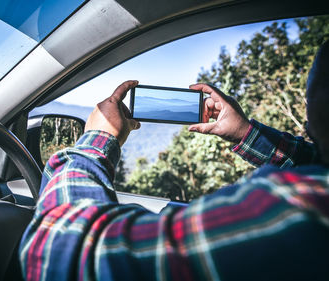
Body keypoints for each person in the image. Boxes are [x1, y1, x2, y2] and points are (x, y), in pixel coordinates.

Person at [19, 42, 329, 281]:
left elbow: (62, 254)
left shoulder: (304, 210)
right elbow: (312, 161)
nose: (304, 101)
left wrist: (99, 138)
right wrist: (245, 132)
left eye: (315, 91)